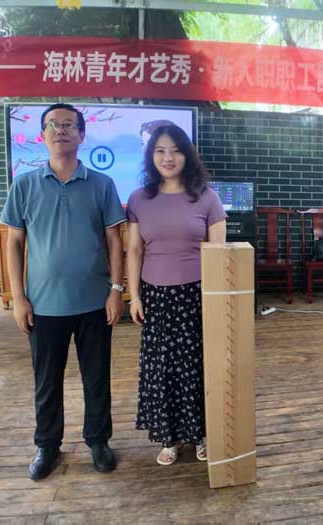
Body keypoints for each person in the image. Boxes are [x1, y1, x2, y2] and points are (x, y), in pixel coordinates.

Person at [0, 103, 127, 480]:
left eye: (69, 125)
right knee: (46, 381)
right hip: (43, 305)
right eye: (53, 125)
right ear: (42, 135)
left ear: (82, 135)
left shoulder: (101, 184)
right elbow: (14, 242)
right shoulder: (25, 185)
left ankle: (98, 441)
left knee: (96, 378)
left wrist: (116, 290)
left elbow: (114, 240)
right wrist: (19, 298)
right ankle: (47, 445)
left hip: (94, 302)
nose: (61, 130)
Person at [126, 124, 227, 466]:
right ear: (151, 156)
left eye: (175, 150)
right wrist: (135, 296)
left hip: (197, 296)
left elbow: (218, 253)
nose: (168, 158)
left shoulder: (207, 197)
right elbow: (134, 250)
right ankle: (169, 437)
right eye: (160, 151)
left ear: (187, 155)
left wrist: (217, 299)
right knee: (162, 369)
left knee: (197, 367)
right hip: (156, 297)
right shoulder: (139, 199)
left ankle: (202, 434)